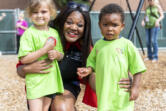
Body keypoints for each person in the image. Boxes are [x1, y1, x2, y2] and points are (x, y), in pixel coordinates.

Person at [17, 2, 132, 111]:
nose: (74, 27)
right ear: (62, 22)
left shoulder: (86, 48)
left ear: (85, 28)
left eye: (80, 25)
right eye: (69, 22)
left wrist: (119, 80)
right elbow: (20, 68)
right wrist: (28, 69)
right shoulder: (46, 36)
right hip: (40, 85)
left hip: (66, 85)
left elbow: (94, 73)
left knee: (60, 107)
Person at [77, 3, 146, 111]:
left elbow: (138, 69)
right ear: (100, 25)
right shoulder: (98, 45)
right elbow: (92, 63)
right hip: (104, 95)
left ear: (122, 26)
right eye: (105, 25)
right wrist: (88, 70)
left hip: (122, 95)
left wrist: (135, 87)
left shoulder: (127, 45)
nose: (110, 29)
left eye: (114, 25)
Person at [18, 0, 64, 111]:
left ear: (51, 13)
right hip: (35, 81)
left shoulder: (54, 33)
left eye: (43, 12)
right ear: (30, 15)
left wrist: (57, 54)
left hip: (50, 80)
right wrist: (44, 50)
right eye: (35, 12)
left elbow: (61, 54)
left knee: (45, 109)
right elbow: (24, 59)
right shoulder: (29, 33)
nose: (39, 15)